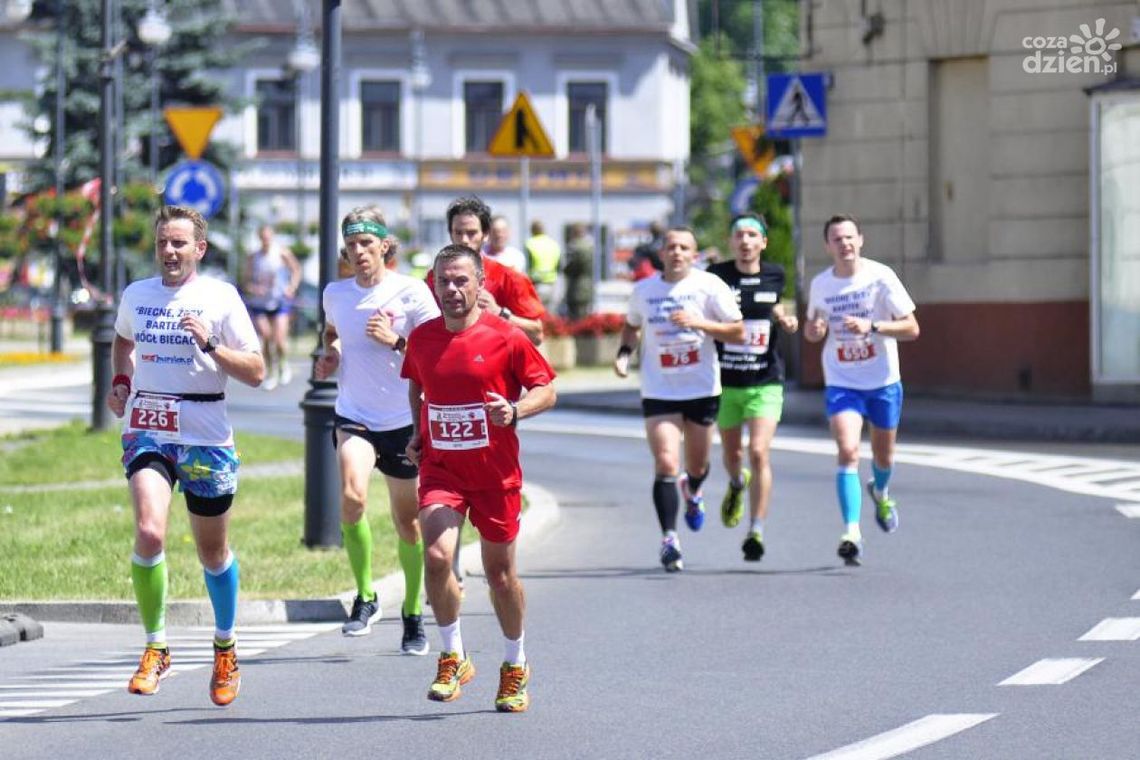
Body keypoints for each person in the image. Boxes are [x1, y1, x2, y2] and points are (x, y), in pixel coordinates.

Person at [106, 205, 266, 706]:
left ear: (199, 249)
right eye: (162, 243)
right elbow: (122, 341)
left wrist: (212, 345)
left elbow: (258, 370)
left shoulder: (220, 297)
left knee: (211, 551)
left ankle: (224, 645)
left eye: (179, 244)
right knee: (150, 531)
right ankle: (156, 645)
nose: (169, 252)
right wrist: (121, 381)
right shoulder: (138, 294)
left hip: (205, 432)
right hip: (148, 427)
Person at [402, 244, 557, 713]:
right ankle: (452, 655)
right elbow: (417, 384)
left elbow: (546, 388)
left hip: (494, 473)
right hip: (442, 468)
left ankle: (515, 663)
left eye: (460, 281)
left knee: (500, 575)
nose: (451, 290)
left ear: (480, 284)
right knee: (435, 554)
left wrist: (514, 411)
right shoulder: (423, 338)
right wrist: (418, 433)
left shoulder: (505, 336)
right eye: (443, 281)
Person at [314, 207, 440, 652]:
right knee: (352, 495)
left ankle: (411, 610)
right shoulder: (335, 293)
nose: (358, 252)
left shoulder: (412, 293)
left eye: (366, 244)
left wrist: (397, 341)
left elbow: (437, 353)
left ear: (385, 245)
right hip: (355, 414)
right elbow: (332, 333)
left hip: (403, 420)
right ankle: (365, 596)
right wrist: (331, 354)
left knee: (408, 523)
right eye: (351, 245)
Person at [614, 227, 744, 571]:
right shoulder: (644, 291)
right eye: (670, 247)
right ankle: (669, 538)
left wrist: (699, 323)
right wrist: (624, 354)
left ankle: (694, 489)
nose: (676, 252)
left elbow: (737, 330)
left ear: (694, 253)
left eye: (684, 247)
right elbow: (631, 325)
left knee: (697, 466)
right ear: (661, 253)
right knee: (667, 462)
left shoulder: (709, 286)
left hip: (701, 388)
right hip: (659, 390)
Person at [804, 213, 920, 566]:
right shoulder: (822, 285)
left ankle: (880, 490)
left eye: (850, 238)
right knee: (848, 450)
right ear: (828, 246)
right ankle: (851, 531)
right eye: (837, 239)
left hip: (882, 380)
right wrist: (816, 327)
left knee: (883, 457)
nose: (845, 244)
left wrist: (872, 326)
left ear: (861, 240)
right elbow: (811, 333)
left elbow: (912, 328)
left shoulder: (881, 277)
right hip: (842, 381)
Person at [707, 214, 799, 562]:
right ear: (732, 242)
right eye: (739, 235)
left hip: (765, 380)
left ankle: (756, 529)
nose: (745, 241)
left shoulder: (775, 273)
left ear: (763, 243)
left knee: (759, 452)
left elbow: (774, 303)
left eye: (752, 235)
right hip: (726, 382)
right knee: (733, 457)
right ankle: (735, 484)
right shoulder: (718, 277)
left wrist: (784, 317)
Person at [425, 196, 545, 346]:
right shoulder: (434, 278)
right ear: (450, 234)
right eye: (458, 232)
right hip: (445, 361)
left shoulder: (508, 277)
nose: (464, 240)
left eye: (471, 233)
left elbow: (537, 335)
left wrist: (499, 312)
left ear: (486, 234)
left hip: (492, 363)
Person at [242, 224, 302, 390]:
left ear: (273, 236)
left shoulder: (281, 253)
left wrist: (292, 287)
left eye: (268, 237)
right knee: (266, 337)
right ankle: (271, 372)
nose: (266, 240)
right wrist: (253, 288)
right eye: (263, 237)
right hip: (260, 303)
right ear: (259, 238)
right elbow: (246, 281)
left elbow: (296, 269)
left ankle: (283, 363)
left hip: (279, 300)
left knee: (280, 340)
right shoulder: (253, 257)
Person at [524, 219, 562, 311]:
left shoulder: (530, 243)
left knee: (535, 313)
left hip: (536, 283)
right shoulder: (554, 244)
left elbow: (527, 265)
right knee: (550, 315)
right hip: (552, 283)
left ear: (532, 230)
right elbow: (559, 265)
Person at [563, 223, 595, 320]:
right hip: (587, 285)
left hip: (576, 286)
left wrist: (565, 270)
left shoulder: (574, 246)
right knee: (584, 316)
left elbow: (573, 266)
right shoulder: (590, 246)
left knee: (575, 318)